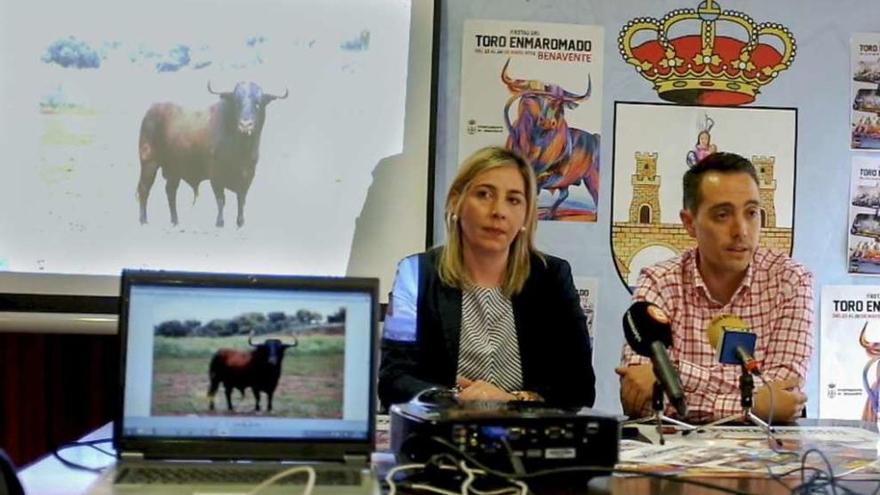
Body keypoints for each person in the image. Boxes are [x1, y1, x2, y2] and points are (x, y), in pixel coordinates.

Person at [378, 146, 595, 409]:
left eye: (513, 200)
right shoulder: (414, 275)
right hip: (443, 432)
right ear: (456, 201)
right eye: (484, 195)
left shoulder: (552, 278)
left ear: (526, 215)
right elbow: (392, 380)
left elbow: (579, 387)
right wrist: (451, 397)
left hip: (527, 438)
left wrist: (512, 400)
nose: (498, 211)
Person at [617, 152, 813, 423]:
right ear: (689, 224)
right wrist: (752, 406)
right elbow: (641, 397)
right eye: (722, 215)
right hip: (676, 458)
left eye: (752, 213)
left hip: (766, 456)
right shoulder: (658, 281)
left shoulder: (790, 280)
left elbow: (784, 394)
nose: (741, 230)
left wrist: (675, 374)